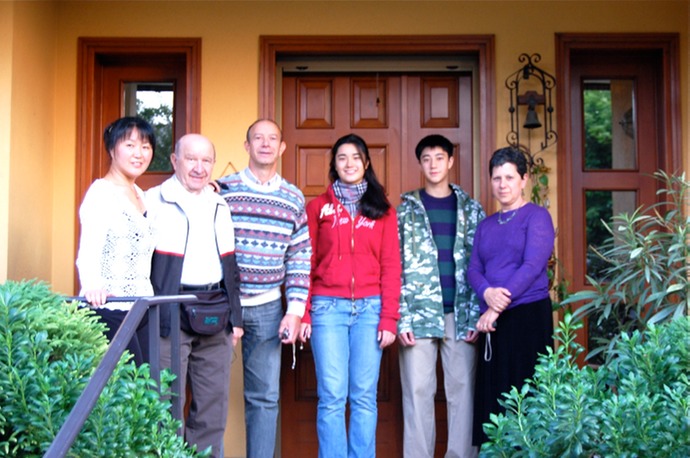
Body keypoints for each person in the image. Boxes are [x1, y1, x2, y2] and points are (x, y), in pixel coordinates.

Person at [300, 133, 401, 458]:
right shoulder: (318, 208)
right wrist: (303, 313)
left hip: (371, 311)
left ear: (366, 163)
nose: (349, 163)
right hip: (327, 309)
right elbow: (306, 263)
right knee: (331, 395)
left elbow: (391, 266)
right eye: (342, 157)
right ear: (334, 164)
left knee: (363, 396)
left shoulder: (383, 210)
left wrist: (389, 318)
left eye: (356, 157)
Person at [217, 119, 311, 458]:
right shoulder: (222, 189)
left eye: (273, 139)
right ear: (247, 146)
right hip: (222, 306)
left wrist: (295, 311)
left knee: (264, 397)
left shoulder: (293, 197)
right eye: (258, 138)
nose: (266, 144)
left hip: (270, 306)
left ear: (282, 148)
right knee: (210, 391)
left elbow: (300, 257)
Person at [146, 133, 243, 458]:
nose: (199, 167)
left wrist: (237, 320)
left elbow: (230, 264)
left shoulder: (220, 202)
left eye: (206, 160)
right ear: (174, 161)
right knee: (164, 408)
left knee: (212, 410)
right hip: (168, 313)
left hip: (215, 311)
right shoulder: (152, 200)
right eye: (191, 159)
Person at [397, 134, 485, 458]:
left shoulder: (472, 210)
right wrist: (400, 316)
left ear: (450, 161)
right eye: (426, 158)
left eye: (439, 157)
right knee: (418, 393)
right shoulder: (404, 211)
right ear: (420, 164)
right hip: (416, 315)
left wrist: (477, 313)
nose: (433, 164)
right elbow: (393, 266)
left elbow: (482, 264)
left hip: (461, 316)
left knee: (462, 393)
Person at [467, 146, 555, 446]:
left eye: (509, 177)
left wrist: (495, 307)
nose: (502, 184)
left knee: (526, 396)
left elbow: (532, 265)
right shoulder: (486, 225)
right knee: (495, 398)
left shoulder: (537, 217)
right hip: (495, 324)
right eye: (496, 178)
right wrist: (486, 292)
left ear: (524, 179)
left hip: (528, 318)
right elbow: (474, 270)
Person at [76, 116, 156, 366]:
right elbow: (89, 247)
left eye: (145, 147)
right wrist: (91, 285)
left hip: (142, 307)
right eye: (130, 145)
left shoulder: (141, 195)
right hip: (109, 308)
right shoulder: (102, 193)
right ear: (112, 149)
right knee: (126, 390)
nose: (139, 154)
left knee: (146, 389)